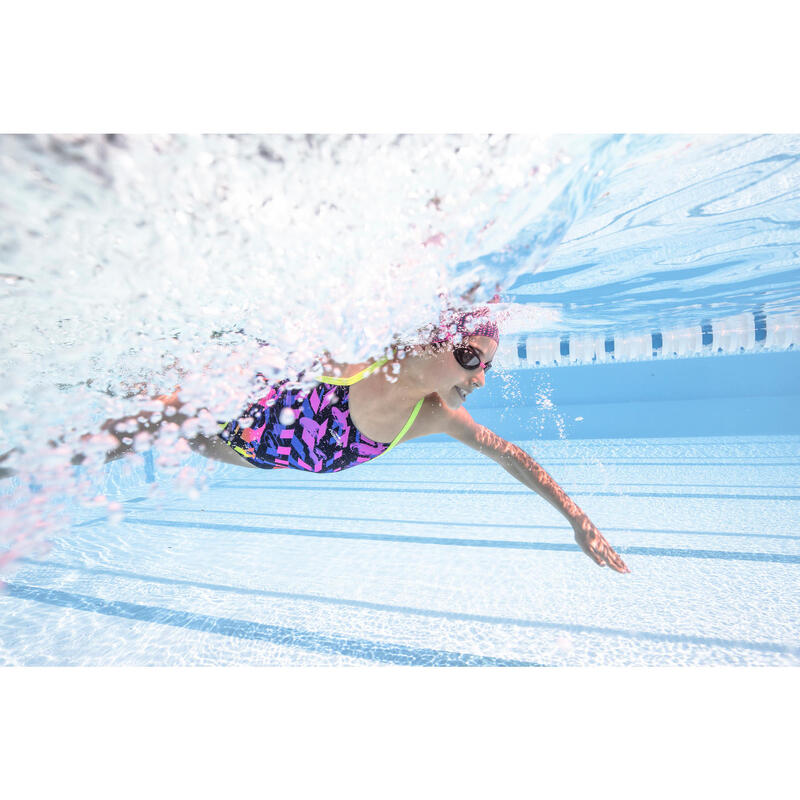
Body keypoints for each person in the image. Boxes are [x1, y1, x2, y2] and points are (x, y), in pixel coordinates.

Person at [6, 308, 630, 573]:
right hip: (231, 403)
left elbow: (512, 456)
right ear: (430, 343)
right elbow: (272, 358)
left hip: (240, 447)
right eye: (471, 357)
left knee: (157, 419)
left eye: (488, 365)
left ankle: (75, 395)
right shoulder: (361, 362)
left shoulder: (433, 416)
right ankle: (45, 404)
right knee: (146, 415)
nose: (480, 377)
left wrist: (576, 518)